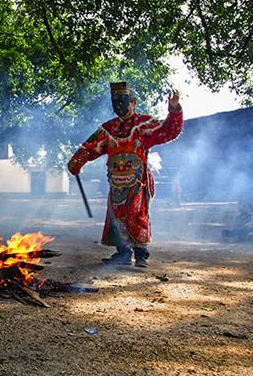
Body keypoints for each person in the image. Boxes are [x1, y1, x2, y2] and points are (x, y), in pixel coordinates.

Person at [67, 82, 183, 268]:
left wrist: (174, 108)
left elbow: (170, 130)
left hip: (138, 182)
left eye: (122, 100)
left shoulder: (145, 125)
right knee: (117, 216)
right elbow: (89, 147)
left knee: (136, 214)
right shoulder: (108, 129)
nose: (118, 105)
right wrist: (76, 162)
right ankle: (123, 253)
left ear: (133, 102)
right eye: (115, 101)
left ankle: (140, 254)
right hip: (115, 183)